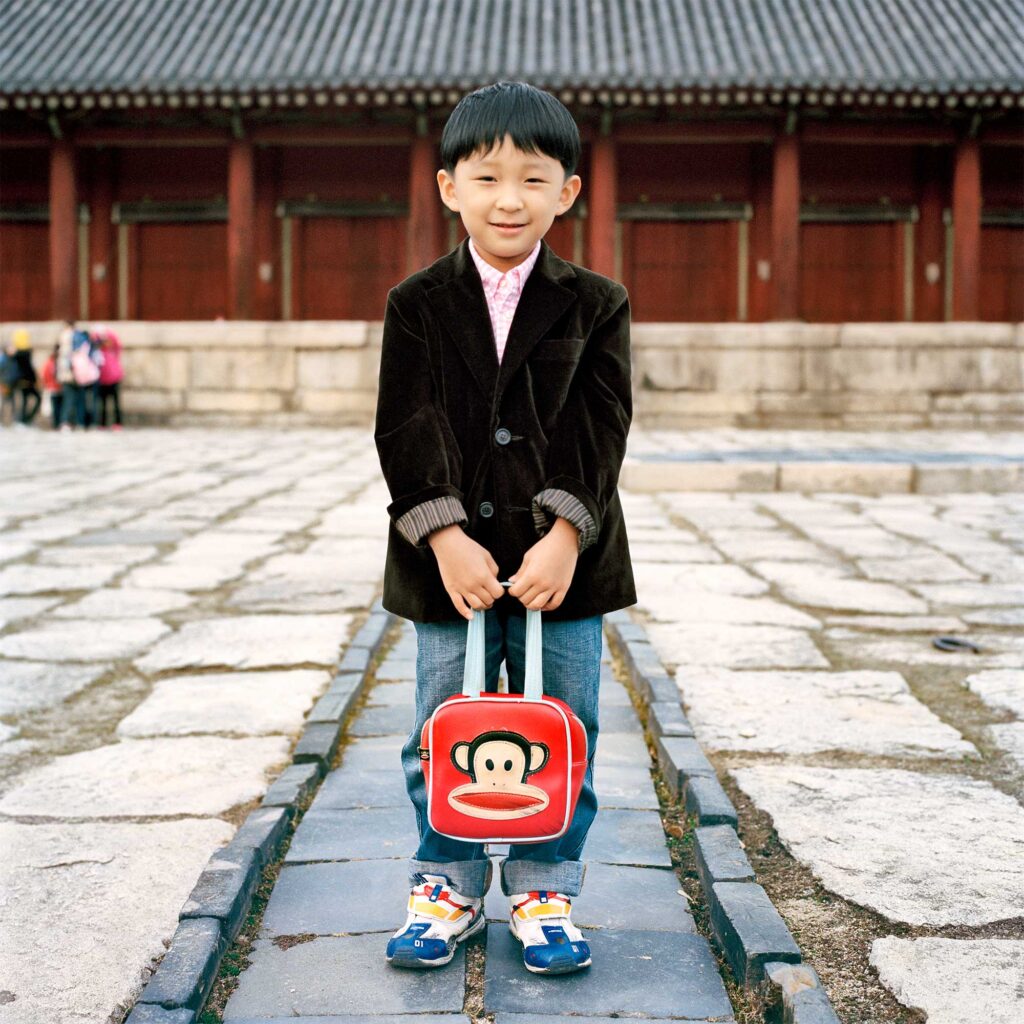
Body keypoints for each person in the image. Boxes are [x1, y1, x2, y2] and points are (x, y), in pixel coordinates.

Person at [374, 81, 636, 975]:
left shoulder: (596, 302)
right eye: (488, 178)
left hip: (568, 562)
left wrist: (567, 531)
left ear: (567, 191)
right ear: (449, 188)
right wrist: (443, 534)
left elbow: (604, 426)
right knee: (441, 722)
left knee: (566, 723)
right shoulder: (416, 302)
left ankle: (544, 888)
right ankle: (442, 886)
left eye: (533, 178)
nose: (509, 198)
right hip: (449, 564)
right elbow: (404, 426)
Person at [94, 325, 124, 430]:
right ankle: (102, 423)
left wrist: (107, 332)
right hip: (102, 380)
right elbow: (93, 340)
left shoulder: (113, 351)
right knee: (103, 403)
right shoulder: (98, 352)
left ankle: (118, 422)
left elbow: (117, 343)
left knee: (116, 403)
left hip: (114, 379)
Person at [9, 330, 41, 427]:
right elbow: (28, 369)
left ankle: (23, 420)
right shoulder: (24, 354)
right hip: (26, 381)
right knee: (31, 399)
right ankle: (23, 420)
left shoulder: (15, 354)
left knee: (24, 400)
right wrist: (35, 380)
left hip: (20, 381)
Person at [41, 342, 64, 429]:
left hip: (58, 388)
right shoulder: (50, 362)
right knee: (55, 408)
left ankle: (57, 424)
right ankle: (55, 424)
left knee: (58, 407)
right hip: (53, 388)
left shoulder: (53, 361)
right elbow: (45, 375)